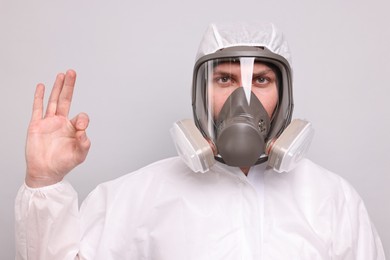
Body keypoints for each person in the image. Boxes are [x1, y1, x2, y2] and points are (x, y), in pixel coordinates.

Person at [15, 22, 385, 260]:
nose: (244, 98)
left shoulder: (332, 200)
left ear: (284, 97)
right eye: (224, 79)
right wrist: (44, 184)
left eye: (261, 81)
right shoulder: (141, 194)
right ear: (200, 92)